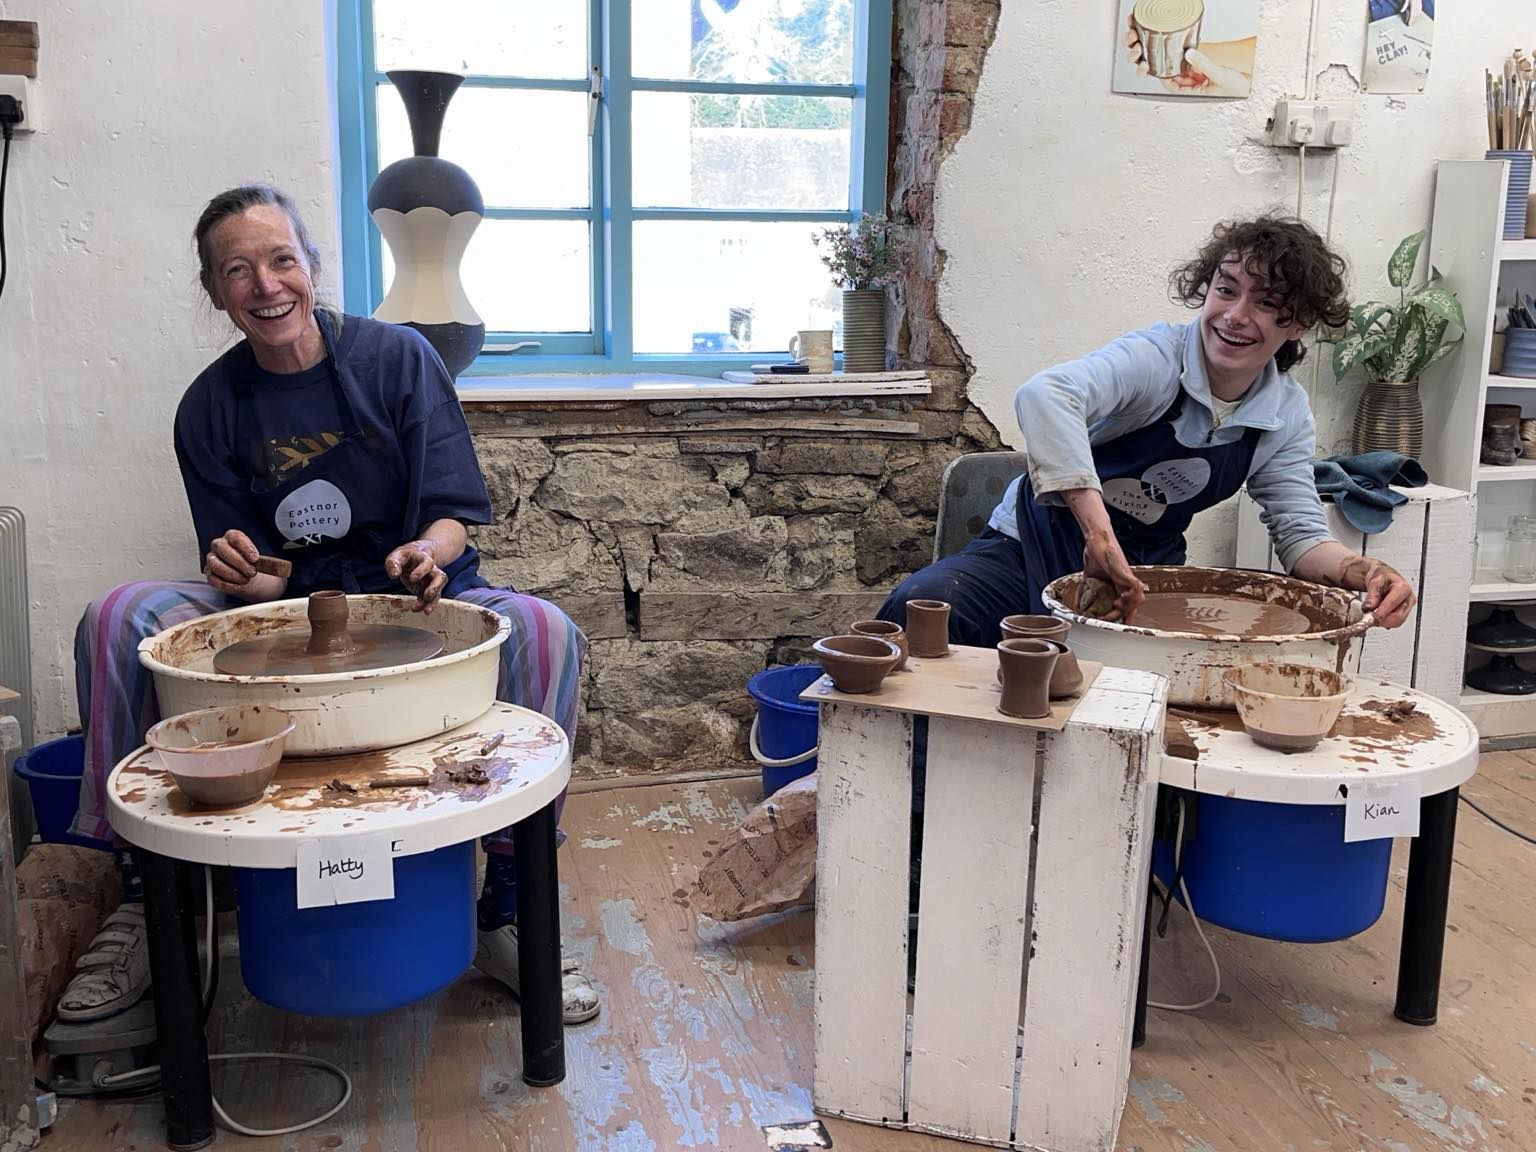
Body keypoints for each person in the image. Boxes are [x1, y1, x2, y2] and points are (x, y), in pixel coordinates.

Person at [60, 184, 598, 1027]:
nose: (266, 285)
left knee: (544, 629)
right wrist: (249, 574)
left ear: (311, 266)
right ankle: (144, 900)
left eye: (281, 260)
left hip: (417, 597)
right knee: (118, 615)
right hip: (292, 617)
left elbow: (454, 516)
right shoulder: (209, 406)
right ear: (214, 293)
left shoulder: (398, 359)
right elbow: (253, 584)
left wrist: (428, 552)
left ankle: (509, 906)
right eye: (238, 271)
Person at [881, 213, 1417, 651]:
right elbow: (1046, 395)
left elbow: (1301, 540)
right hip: (1025, 550)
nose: (1234, 315)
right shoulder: (1158, 360)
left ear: (1297, 324)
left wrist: (1361, 568)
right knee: (922, 604)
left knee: (1160, 697)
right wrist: (1097, 535)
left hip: (1142, 580)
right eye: (1225, 290)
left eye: (1267, 304)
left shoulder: (1284, 415)